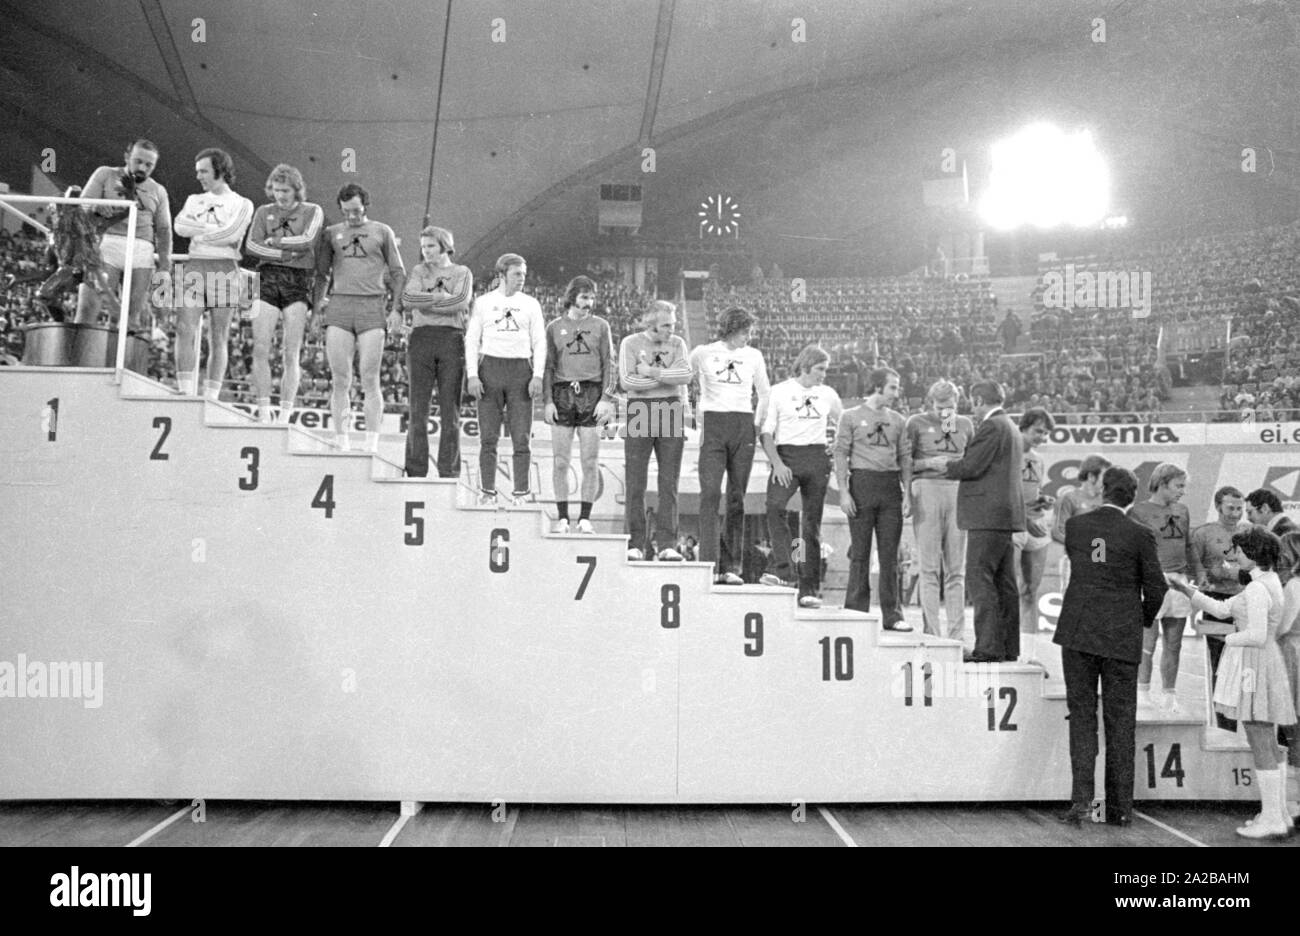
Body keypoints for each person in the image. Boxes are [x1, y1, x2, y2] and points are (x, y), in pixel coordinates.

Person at [1056, 466, 1168, 828]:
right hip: (1120, 634)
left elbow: (1089, 565)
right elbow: (1157, 589)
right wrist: (1141, 620)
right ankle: (1119, 810)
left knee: (1083, 719)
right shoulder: (1140, 534)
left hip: (1078, 630)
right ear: (1132, 496)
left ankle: (1082, 804)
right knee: (1120, 723)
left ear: (1103, 490)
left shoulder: (1076, 526)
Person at [1171, 527, 1297, 838]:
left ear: (1253, 554)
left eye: (1238, 551)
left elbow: (1254, 635)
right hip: (1263, 663)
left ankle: (1272, 818)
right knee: (1267, 740)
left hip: (1255, 665)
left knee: (1261, 740)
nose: (1233, 555)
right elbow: (1224, 608)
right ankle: (1277, 814)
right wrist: (1189, 592)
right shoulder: (1266, 583)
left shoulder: (1257, 589)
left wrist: (1221, 636)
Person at [936, 380, 1024, 661]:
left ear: (977, 400)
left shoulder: (991, 426)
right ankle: (1009, 647)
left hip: (986, 515)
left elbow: (971, 466)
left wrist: (944, 465)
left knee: (980, 580)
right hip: (1004, 515)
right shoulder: (1010, 426)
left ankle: (987, 647)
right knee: (1004, 584)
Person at [314, 183, 406, 451]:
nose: (352, 217)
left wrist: (396, 309)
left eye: (356, 211)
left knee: (369, 376)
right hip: (340, 306)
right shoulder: (332, 233)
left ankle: (371, 442)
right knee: (340, 378)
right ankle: (341, 439)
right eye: (346, 212)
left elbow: (398, 273)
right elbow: (322, 275)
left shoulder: (381, 231)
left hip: (371, 307)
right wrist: (316, 309)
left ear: (365, 206)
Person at [690, 307, 771, 585]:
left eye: (750, 332)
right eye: (744, 332)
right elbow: (681, 382)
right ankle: (709, 563)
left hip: (743, 425)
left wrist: (757, 425)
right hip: (713, 425)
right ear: (729, 329)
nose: (748, 337)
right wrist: (693, 415)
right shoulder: (702, 353)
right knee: (710, 494)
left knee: (736, 498)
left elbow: (765, 393)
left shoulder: (754, 356)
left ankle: (731, 566)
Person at [758, 344, 843, 608]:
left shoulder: (828, 394)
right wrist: (778, 464)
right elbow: (766, 432)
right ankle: (783, 569)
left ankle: (809, 589)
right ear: (805, 366)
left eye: (825, 370)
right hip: (787, 457)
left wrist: (837, 443)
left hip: (817, 458)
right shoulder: (780, 391)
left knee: (811, 526)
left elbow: (845, 422)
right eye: (820, 369)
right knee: (774, 506)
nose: (823, 375)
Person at [171, 148, 254, 399]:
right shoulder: (194, 199)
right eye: (197, 171)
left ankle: (211, 396)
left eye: (203, 171)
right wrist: (214, 229)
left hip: (225, 268)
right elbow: (179, 226)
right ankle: (185, 390)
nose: (199, 176)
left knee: (218, 335)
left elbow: (233, 234)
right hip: (196, 265)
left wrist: (200, 231)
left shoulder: (241, 203)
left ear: (220, 170)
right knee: (185, 327)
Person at [243, 163, 323, 422]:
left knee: (291, 352)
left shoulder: (312, 210)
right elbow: (252, 246)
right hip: (267, 278)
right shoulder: (263, 211)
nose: (281, 195)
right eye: (276, 190)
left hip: (297, 281)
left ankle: (286, 412)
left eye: (286, 190)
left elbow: (308, 241)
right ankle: (264, 410)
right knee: (261, 348)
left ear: (297, 190)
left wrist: (275, 242)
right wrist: (286, 254)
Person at [835, 366, 913, 630]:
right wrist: (844, 492)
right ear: (878, 386)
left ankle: (893, 615)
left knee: (890, 555)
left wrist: (908, 494)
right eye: (892, 387)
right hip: (862, 484)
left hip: (891, 487)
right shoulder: (850, 416)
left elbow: (905, 458)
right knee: (860, 552)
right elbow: (840, 453)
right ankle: (856, 610)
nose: (896, 392)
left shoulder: (899, 420)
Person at [465, 253, 545, 504]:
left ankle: (521, 492)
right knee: (488, 438)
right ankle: (487, 491)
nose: (522, 278)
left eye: (524, 273)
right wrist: (472, 375)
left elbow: (540, 342)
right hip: (490, 369)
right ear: (501, 275)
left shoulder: (531, 304)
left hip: (521, 371)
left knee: (521, 438)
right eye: (516, 274)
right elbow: (471, 340)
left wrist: (538, 375)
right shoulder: (483, 303)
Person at [544, 276, 616, 533]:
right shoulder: (554, 327)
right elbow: (549, 367)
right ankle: (562, 517)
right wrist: (548, 401)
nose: (589, 302)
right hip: (563, 393)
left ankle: (585, 517)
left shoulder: (600, 325)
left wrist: (606, 398)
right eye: (585, 297)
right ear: (572, 296)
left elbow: (610, 363)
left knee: (590, 460)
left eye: (592, 297)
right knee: (561, 461)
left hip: (592, 393)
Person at [619, 300, 691, 560]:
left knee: (668, 481)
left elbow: (685, 376)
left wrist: (649, 371)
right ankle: (635, 544)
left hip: (671, 409)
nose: (671, 330)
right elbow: (627, 381)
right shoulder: (631, 343)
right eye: (665, 325)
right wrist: (666, 376)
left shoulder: (678, 344)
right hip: (639, 409)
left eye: (673, 324)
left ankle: (667, 544)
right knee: (636, 481)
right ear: (651, 324)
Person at [400, 225, 472, 477]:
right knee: (417, 408)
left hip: (451, 339)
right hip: (421, 338)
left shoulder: (462, 272)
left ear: (444, 245)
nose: (425, 251)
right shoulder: (419, 270)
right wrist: (441, 298)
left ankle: (449, 471)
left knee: (449, 410)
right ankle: (416, 469)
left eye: (430, 246)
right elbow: (408, 300)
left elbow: (460, 301)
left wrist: (427, 301)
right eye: (423, 247)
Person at [79, 139, 172, 334]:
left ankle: (119, 363)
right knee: (89, 306)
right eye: (138, 161)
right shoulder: (105, 174)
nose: (142, 167)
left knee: (131, 315)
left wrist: (164, 265)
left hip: (141, 249)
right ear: (126, 157)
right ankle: (75, 361)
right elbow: (81, 206)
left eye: (149, 165)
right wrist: (96, 207)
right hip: (107, 243)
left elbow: (164, 229)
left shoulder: (158, 190)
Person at [906, 379, 973, 638]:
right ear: (930, 403)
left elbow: (975, 461)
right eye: (939, 407)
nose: (945, 412)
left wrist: (959, 466)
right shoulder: (916, 423)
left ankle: (956, 635)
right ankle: (931, 633)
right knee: (929, 568)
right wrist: (928, 463)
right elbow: (904, 462)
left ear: (958, 403)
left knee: (956, 570)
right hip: (927, 490)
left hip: (958, 492)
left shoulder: (966, 424)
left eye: (950, 407)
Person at [1129, 463, 1195, 715]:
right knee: (1147, 641)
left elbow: (1187, 545)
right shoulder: (1138, 511)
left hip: (1179, 581)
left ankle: (1169, 694)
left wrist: (1198, 575)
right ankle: (1142, 691)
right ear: (1162, 483)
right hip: (1151, 581)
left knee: (1174, 643)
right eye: (1179, 486)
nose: (1182, 491)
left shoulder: (1182, 510)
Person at [1190, 486, 1246, 731]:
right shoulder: (1203, 533)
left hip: (1245, 604)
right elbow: (1195, 565)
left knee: (1246, 664)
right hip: (1215, 603)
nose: (1235, 513)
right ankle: (1224, 723)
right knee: (1220, 662)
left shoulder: (1251, 531)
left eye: (1239, 508)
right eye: (1230, 508)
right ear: (1218, 506)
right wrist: (1206, 575)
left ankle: (1245, 720)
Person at [1012, 408, 1055, 645]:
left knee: (1030, 591)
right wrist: (1024, 519)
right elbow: (1004, 494)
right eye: (1038, 431)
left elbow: (1032, 491)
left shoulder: (1038, 459)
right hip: (1013, 525)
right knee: (1008, 590)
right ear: (1023, 427)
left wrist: (1042, 499)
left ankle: (1029, 653)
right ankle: (1006, 648)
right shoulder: (1008, 453)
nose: (1042, 437)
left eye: (1046, 433)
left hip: (1036, 525)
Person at [1051, 453, 1111, 594]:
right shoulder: (1069, 498)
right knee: (1074, 611)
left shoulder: (1107, 501)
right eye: (1105, 477)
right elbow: (1057, 532)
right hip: (1075, 563)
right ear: (1091, 476)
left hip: (1102, 563)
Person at [1275, 531, 1300, 824]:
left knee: (1294, 728)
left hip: (1293, 652)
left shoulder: (1294, 585)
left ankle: (1294, 800)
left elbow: (1283, 626)